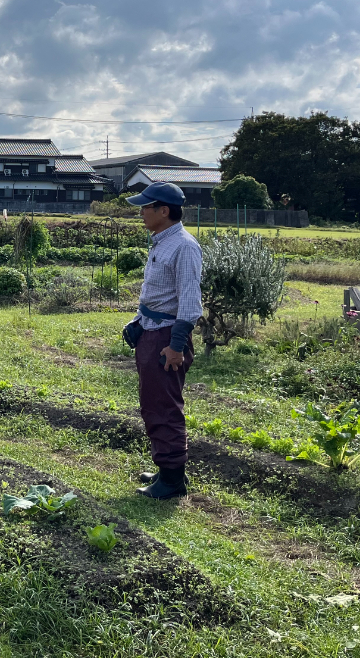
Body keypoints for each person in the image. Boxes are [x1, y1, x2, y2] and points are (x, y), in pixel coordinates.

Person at [121, 181, 203, 499]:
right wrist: (139, 322)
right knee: (152, 402)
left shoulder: (184, 246)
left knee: (164, 406)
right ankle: (165, 468)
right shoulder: (161, 242)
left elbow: (189, 301)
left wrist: (176, 346)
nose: (141, 213)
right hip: (153, 333)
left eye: (145, 206)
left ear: (163, 211)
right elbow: (159, 296)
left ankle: (172, 480)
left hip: (167, 340)